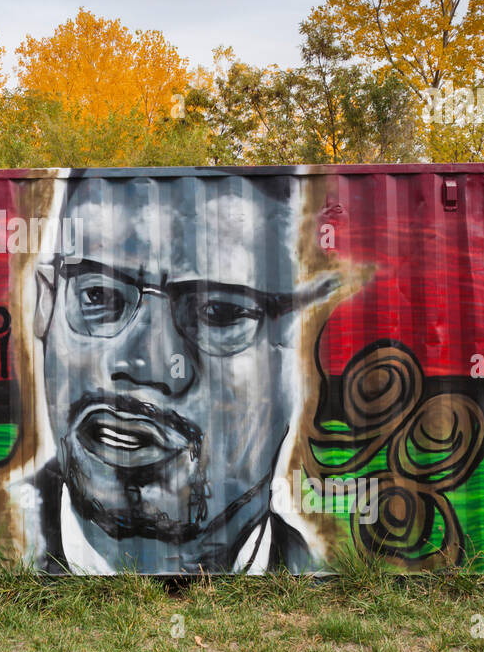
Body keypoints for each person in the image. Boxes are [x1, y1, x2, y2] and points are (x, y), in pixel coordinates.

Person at [22, 173, 338, 573]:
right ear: (47, 305)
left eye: (219, 312)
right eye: (98, 296)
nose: (144, 365)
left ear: (303, 345)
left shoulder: (314, 574)